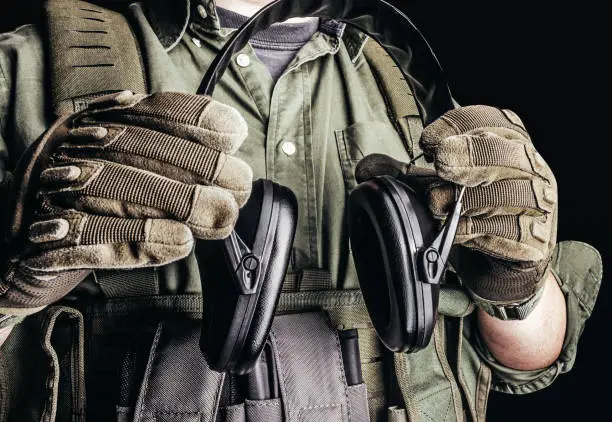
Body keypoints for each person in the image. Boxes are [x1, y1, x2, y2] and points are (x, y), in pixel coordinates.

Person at [0, 0, 602, 421]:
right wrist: (15, 273)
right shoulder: (31, 70)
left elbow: (529, 359)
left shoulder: (419, 74)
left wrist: (516, 283)